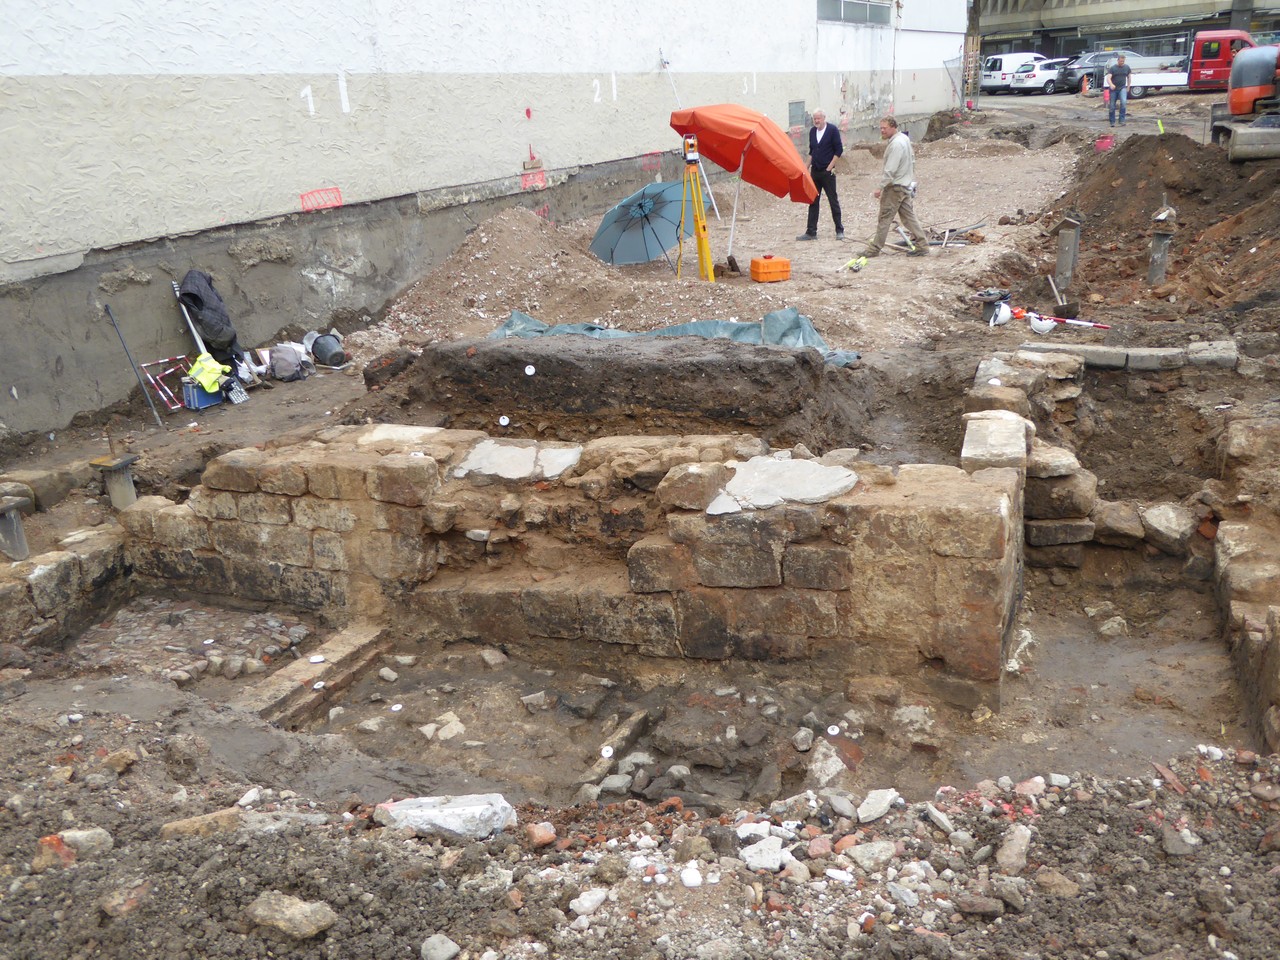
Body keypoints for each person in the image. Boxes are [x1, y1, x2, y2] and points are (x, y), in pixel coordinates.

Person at [860, 116, 929, 258]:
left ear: (893, 127)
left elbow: (890, 169)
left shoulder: (896, 144)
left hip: (895, 187)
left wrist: (880, 187)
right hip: (904, 185)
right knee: (909, 217)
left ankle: (875, 249)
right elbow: (913, 161)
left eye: (884, 128)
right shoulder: (904, 139)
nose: (882, 131)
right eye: (881, 128)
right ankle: (922, 245)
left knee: (885, 218)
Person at [796, 109, 844, 241]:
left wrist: (830, 167)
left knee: (832, 200)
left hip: (827, 172)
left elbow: (839, 149)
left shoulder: (832, 130)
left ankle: (839, 230)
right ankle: (811, 231)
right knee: (813, 200)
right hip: (815, 171)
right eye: (815, 119)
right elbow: (812, 151)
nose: (816, 121)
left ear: (824, 118)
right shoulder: (812, 131)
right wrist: (805, 168)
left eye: (819, 118)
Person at [1106, 55, 1131, 127]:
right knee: (1112, 106)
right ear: (1118, 60)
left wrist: (1128, 86)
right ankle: (1112, 122)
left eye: (1123, 61)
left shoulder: (1127, 67)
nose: (1122, 62)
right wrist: (1111, 85)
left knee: (1123, 102)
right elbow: (1108, 78)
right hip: (1114, 89)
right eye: (1121, 61)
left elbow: (1129, 77)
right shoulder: (1113, 68)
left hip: (1122, 88)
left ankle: (1122, 120)